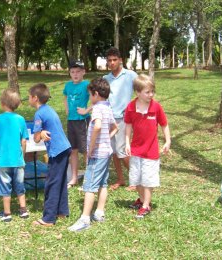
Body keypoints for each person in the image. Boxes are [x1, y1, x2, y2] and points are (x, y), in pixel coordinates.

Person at [68, 78, 118, 232]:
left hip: (97, 154)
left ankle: (85, 219)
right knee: (103, 183)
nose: (90, 98)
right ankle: (99, 213)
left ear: (96, 94)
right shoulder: (108, 107)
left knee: (89, 186)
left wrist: (91, 148)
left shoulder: (97, 108)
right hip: (107, 152)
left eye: (90, 95)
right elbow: (116, 127)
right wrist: (105, 139)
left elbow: (96, 127)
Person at [124, 74, 171, 218]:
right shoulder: (131, 107)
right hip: (136, 150)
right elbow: (128, 126)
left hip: (151, 152)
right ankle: (142, 199)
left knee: (148, 179)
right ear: (137, 92)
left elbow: (164, 124)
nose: (151, 95)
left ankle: (146, 206)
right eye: (147, 92)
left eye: (152, 91)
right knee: (136, 179)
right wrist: (127, 142)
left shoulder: (156, 107)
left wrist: (168, 141)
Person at [28, 83, 72, 227]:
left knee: (52, 183)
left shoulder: (39, 113)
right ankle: (61, 211)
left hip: (57, 151)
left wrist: (39, 133)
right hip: (65, 148)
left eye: (29, 96)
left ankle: (48, 218)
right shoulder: (49, 109)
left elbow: (35, 139)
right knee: (60, 181)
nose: (28, 99)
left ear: (35, 98)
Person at [0, 88, 29, 222]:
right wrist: (22, 155)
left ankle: (7, 214)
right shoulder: (21, 119)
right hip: (18, 160)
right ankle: (23, 211)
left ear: (2, 103)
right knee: (20, 185)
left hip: (3, 160)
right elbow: (23, 141)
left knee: (5, 186)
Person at [103, 47, 138, 191]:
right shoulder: (105, 79)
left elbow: (141, 91)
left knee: (122, 151)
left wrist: (133, 109)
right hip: (109, 119)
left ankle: (135, 180)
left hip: (124, 119)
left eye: (114, 60)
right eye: (109, 60)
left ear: (120, 60)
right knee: (113, 151)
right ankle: (120, 179)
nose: (112, 63)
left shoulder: (130, 75)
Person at [63, 60, 90, 188]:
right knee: (73, 150)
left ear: (83, 72)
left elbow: (96, 99)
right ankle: (74, 177)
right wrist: (67, 108)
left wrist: (87, 110)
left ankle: (89, 178)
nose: (75, 74)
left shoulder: (87, 85)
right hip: (71, 121)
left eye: (78, 71)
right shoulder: (68, 85)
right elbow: (65, 97)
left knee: (85, 150)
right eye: (73, 72)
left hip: (82, 121)